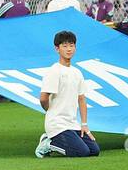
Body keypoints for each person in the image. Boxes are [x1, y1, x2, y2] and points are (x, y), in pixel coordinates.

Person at [35, 30, 100, 158]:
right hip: (57, 124)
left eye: (71, 45)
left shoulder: (77, 72)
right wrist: (50, 111)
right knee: (82, 152)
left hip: (72, 123)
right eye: (64, 46)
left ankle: (58, 141)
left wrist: (84, 125)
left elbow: (81, 99)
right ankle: (48, 144)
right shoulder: (54, 71)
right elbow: (43, 98)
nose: (69, 49)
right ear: (57, 49)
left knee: (94, 150)